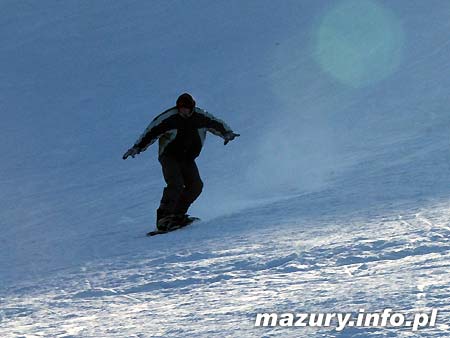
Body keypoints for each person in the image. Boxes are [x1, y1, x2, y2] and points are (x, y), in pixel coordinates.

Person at [123, 93, 239, 230]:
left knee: (196, 185)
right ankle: (163, 218)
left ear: (192, 108)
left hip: (187, 157)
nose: (183, 111)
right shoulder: (169, 118)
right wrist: (137, 148)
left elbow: (215, 123)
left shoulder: (200, 117)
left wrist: (227, 133)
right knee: (175, 183)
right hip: (169, 156)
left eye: (186, 108)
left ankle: (177, 214)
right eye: (180, 108)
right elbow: (151, 132)